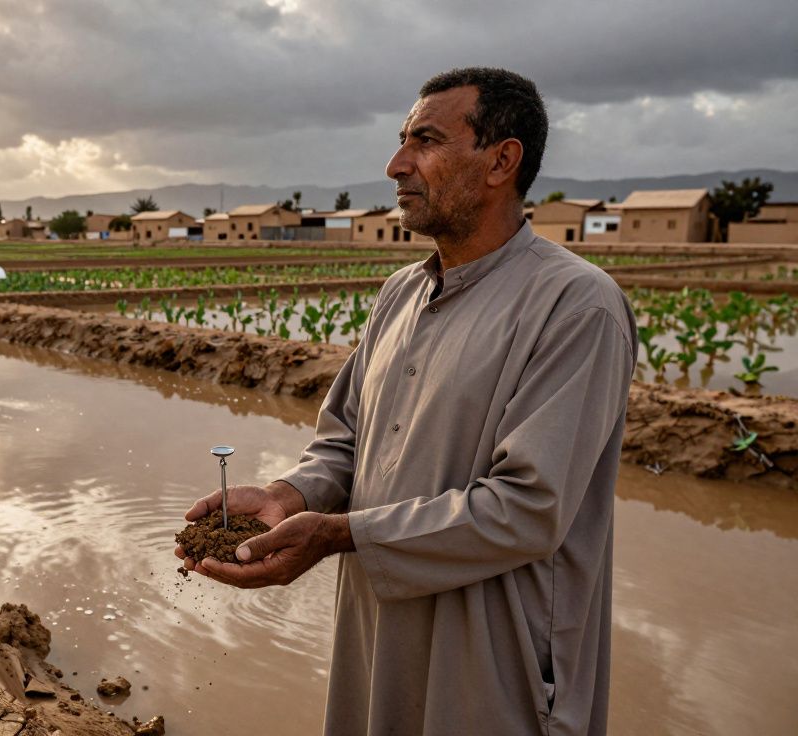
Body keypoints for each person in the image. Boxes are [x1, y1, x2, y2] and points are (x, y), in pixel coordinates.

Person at [176, 68, 636, 735]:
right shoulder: (401, 294)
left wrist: (340, 534)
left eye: (424, 141)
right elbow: (345, 442)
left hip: (494, 650)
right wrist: (290, 497)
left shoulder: (577, 307)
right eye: (402, 142)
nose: (396, 166)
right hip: (378, 627)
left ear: (502, 160)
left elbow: (528, 507)